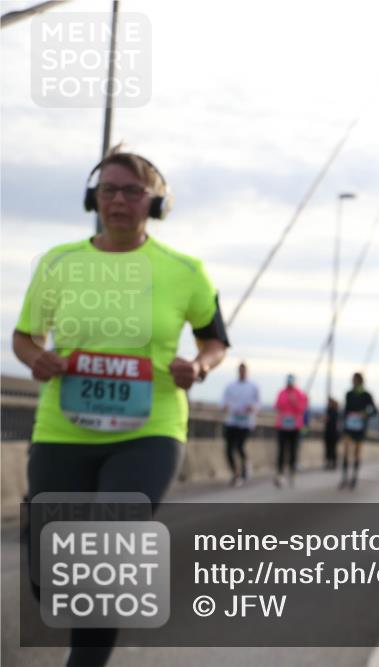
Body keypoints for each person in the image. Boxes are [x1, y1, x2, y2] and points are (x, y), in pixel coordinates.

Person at [12, 146, 229, 667]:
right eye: (109, 189)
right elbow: (24, 338)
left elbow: (216, 340)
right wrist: (38, 359)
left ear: (154, 204)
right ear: (94, 197)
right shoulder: (59, 263)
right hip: (65, 429)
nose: (119, 200)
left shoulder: (185, 270)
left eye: (134, 191)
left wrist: (198, 367)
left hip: (149, 429)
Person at [220, 361, 259, 486]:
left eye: (244, 370)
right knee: (228, 448)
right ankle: (235, 473)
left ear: (247, 372)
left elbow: (258, 403)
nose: (242, 373)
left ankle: (245, 467)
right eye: (240, 370)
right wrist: (225, 406)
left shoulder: (253, 386)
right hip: (231, 421)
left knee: (240, 446)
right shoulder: (230, 386)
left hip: (246, 422)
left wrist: (252, 407)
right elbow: (223, 401)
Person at [340, 372, 376, 490]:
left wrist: (364, 414)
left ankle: (354, 478)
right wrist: (346, 418)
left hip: (360, 428)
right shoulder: (349, 394)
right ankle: (344, 477)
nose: (353, 381)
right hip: (349, 427)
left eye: (355, 379)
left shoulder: (367, 395)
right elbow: (345, 410)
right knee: (345, 452)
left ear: (360, 380)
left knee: (357, 453)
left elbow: (373, 410)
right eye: (352, 379)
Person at [273, 374, 307, 488]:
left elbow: (302, 409)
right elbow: (277, 405)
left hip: (295, 427)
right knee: (281, 451)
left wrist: (294, 402)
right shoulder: (281, 392)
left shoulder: (300, 394)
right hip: (282, 426)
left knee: (293, 451)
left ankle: (292, 473)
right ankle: (280, 473)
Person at [323, 397, 341, 470]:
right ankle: (332, 463)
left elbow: (327, 420)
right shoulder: (337, 411)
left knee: (330, 448)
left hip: (331, 432)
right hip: (334, 433)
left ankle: (330, 463)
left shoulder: (330, 411)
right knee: (332, 449)